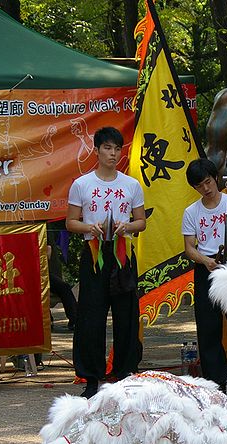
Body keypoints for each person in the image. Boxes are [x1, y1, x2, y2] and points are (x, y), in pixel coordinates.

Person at [66, 126, 146, 398]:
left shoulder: (131, 184)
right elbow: (71, 222)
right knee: (91, 316)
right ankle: (91, 377)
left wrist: (127, 226)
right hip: (94, 253)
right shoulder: (82, 184)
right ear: (97, 150)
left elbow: (141, 222)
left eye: (117, 149)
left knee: (126, 315)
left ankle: (125, 372)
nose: (113, 154)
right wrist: (91, 226)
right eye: (108, 148)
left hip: (122, 254)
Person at [182, 158, 227, 388]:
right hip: (207, 268)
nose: (207, 188)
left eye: (209, 182)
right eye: (200, 185)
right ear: (194, 188)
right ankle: (216, 378)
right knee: (208, 324)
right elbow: (189, 247)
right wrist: (205, 261)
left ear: (215, 178)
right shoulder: (191, 212)